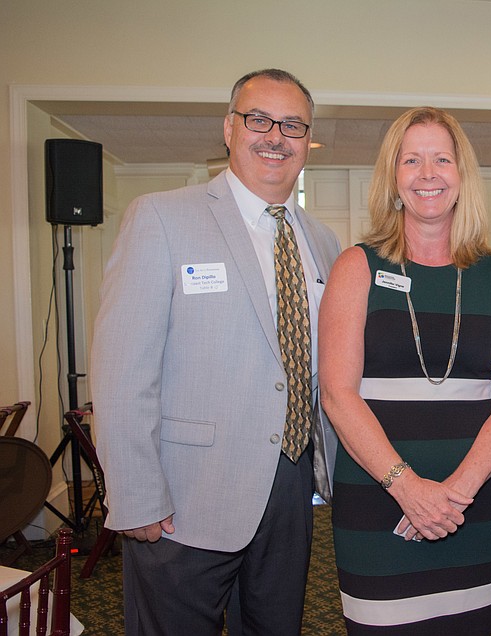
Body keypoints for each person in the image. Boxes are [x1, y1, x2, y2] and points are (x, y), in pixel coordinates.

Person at [91, 68, 340, 635]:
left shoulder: (323, 241)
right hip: (183, 497)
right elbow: (120, 371)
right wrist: (134, 494)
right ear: (229, 128)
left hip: (292, 488)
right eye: (259, 119)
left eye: (293, 125)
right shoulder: (161, 216)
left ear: (308, 140)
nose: (275, 136)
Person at [319, 106, 491, 634]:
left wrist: (457, 491)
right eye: (411, 160)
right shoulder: (357, 266)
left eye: (441, 158)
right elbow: (337, 394)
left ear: (462, 177)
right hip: (377, 497)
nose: (427, 173)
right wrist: (408, 488)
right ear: (393, 178)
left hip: (473, 502)